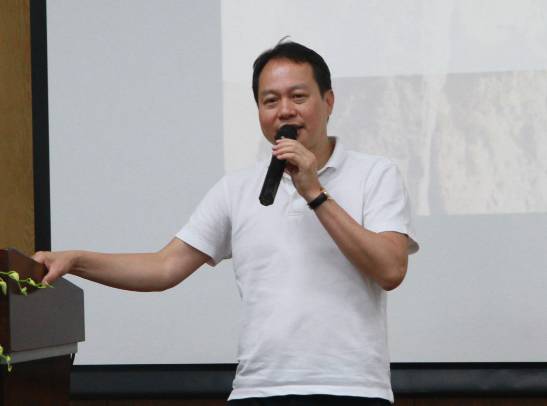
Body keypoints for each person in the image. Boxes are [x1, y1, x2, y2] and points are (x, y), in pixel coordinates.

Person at [33, 41, 418, 405]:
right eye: (270, 101)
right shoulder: (237, 188)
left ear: (328, 101)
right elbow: (164, 267)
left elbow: (390, 269)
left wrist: (314, 192)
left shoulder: (374, 174)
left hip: (351, 389)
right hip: (258, 390)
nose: (284, 111)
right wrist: (76, 261)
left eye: (298, 97)